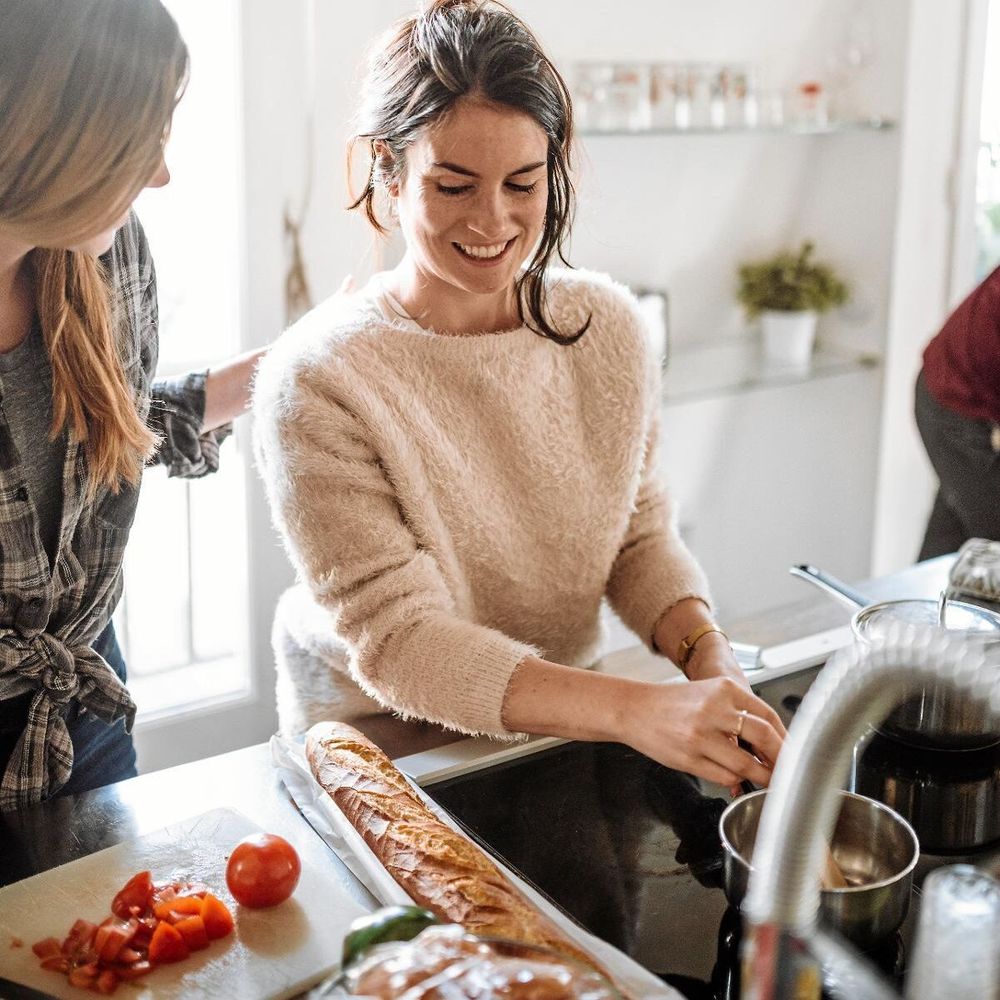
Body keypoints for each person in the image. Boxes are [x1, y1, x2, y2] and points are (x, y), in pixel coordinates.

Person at [254, 0, 785, 792]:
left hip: (568, 727)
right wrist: (638, 711)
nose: (493, 220)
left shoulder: (608, 328)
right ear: (389, 174)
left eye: (522, 183)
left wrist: (708, 657)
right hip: (391, 752)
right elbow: (402, 640)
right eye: (454, 185)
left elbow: (635, 536)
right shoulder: (320, 379)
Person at [0, 0, 270, 810]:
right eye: (142, 138)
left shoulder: (107, 254)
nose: (161, 173)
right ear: (55, 142)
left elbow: (110, 427)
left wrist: (280, 370)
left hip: (82, 703)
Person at [915, 265, 1000, 560]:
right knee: (993, 540)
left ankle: (919, 604)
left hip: (956, 389)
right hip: (953, 400)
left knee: (953, 532)